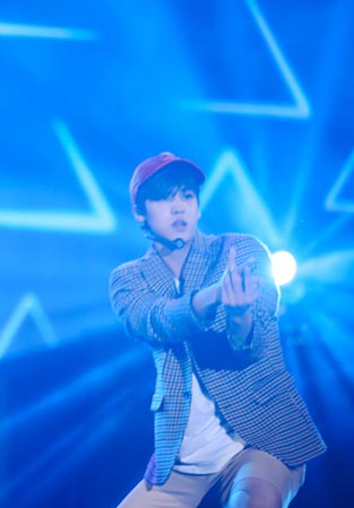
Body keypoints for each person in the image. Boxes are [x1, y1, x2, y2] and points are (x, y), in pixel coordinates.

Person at [109, 152, 325, 508]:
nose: (178, 207)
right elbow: (156, 320)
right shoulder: (130, 278)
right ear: (139, 211)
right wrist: (213, 296)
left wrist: (239, 314)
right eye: (163, 198)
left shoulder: (240, 250)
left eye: (187, 195)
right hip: (184, 459)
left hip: (261, 439)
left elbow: (256, 345)